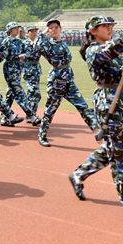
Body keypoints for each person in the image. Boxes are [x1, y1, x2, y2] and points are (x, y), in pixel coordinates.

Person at [69, 15, 123, 218]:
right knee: (122, 154)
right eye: (105, 26)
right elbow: (112, 50)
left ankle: (78, 174)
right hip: (107, 102)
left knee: (111, 148)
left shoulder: (110, 48)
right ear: (93, 31)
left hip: (118, 100)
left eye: (110, 26)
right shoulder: (93, 50)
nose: (109, 28)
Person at [35, 18, 96, 147]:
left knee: (82, 106)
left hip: (68, 80)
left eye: (56, 27)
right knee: (50, 109)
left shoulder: (63, 43)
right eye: (51, 28)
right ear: (48, 31)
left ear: (60, 29)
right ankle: (42, 134)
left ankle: (97, 129)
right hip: (56, 81)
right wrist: (44, 32)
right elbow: (36, 45)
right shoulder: (47, 44)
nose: (54, 30)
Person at [0, 22, 39, 125]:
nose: (17, 30)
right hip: (10, 69)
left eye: (17, 28)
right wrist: (17, 57)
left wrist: (25, 55)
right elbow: (4, 55)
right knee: (19, 92)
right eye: (15, 28)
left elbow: (27, 52)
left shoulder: (20, 42)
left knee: (10, 94)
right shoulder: (6, 41)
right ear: (10, 30)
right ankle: (31, 116)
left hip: (18, 69)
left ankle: (4, 117)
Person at [21, 25, 43, 124]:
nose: (34, 33)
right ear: (28, 33)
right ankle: (31, 114)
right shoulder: (24, 43)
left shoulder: (38, 42)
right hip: (28, 70)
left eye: (35, 31)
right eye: (32, 31)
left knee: (31, 94)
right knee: (36, 93)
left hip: (36, 69)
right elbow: (22, 55)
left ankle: (30, 115)